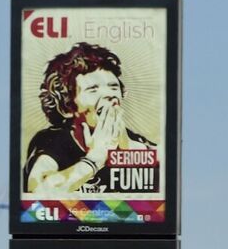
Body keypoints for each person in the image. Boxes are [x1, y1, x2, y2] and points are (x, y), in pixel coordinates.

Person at [23, 41, 156, 195]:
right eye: (93, 89)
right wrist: (95, 158)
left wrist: (127, 149)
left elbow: (169, 171)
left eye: (114, 87)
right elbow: (38, 192)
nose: (109, 94)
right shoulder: (52, 141)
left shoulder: (132, 139)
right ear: (66, 106)